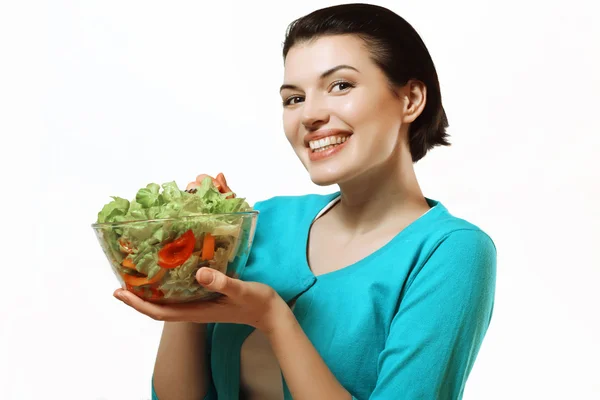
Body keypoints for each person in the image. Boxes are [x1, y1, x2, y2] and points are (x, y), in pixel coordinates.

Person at [113, 3, 497, 399]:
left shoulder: (451, 252)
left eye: (341, 85)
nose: (310, 114)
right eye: (293, 98)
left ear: (411, 99)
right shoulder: (264, 221)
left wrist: (274, 319)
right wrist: (191, 253)